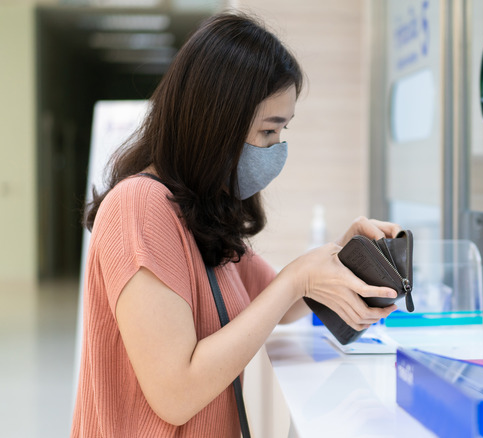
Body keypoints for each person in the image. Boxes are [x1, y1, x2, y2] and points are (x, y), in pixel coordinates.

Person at [71, 12, 400, 437]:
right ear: (217, 123)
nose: (277, 148)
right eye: (268, 131)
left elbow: (276, 303)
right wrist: (297, 278)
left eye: (283, 131)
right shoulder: (140, 206)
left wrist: (341, 253)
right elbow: (176, 394)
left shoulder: (199, 211)